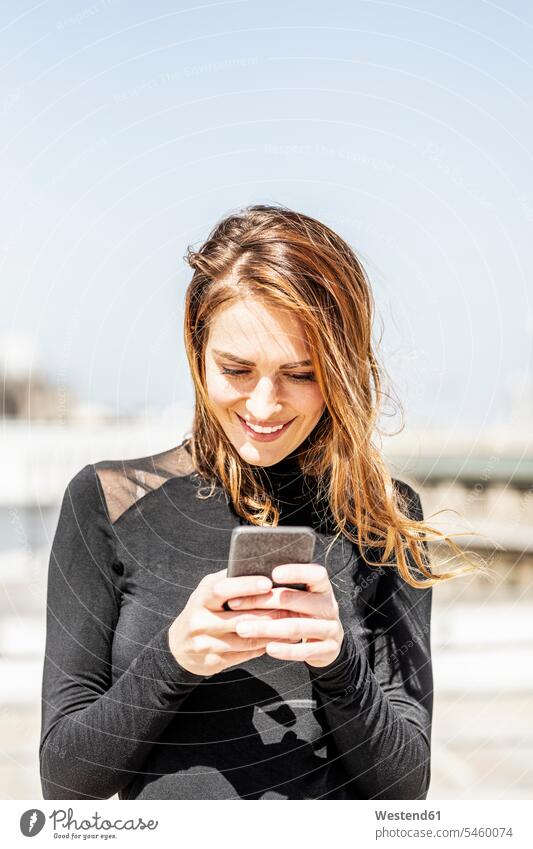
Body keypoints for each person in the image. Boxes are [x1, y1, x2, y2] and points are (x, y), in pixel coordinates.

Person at [39, 203, 470, 801]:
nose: (264, 406)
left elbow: (404, 788)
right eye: (237, 369)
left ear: (342, 373)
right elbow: (65, 782)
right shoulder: (106, 503)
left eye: (301, 373)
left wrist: (337, 662)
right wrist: (175, 657)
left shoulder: (385, 516)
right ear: (197, 351)